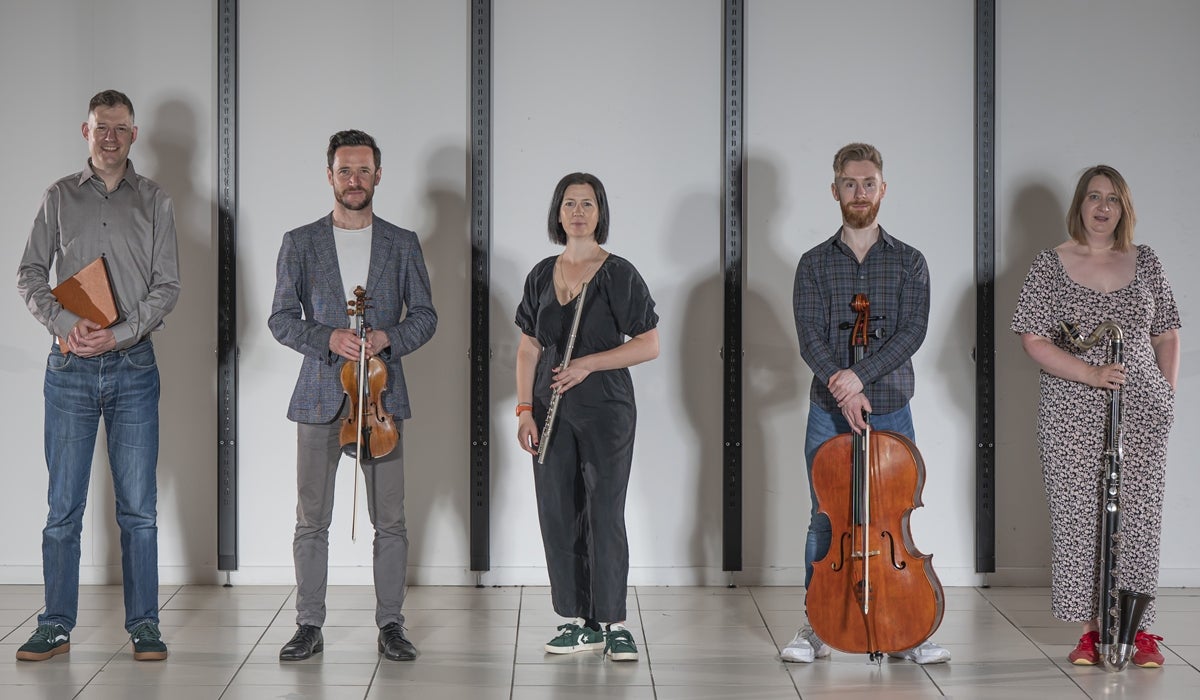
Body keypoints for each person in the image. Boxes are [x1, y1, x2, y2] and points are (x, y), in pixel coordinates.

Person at [14, 89, 180, 662]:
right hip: (69, 369)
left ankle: (145, 626)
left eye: (121, 128)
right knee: (63, 507)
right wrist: (64, 324)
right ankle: (55, 624)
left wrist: (122, 331)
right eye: (101, 127)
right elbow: (30, 273)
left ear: (135, 135)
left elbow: (168, 286)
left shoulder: (156, 201)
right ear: (85, 131)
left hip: (134, 367)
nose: (111, 137)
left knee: (139, 508)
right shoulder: (58, 197)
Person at [268, 130, 436, 662]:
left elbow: (427, 317)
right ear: (330, 175)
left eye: (364, 170)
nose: (355, 180)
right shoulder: (300, 241)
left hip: (380, 401)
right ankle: (308, 624)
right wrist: (327, 338)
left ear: (378, 175)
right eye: (345, 170)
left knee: (390, 520)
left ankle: (391, 624)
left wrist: (388, 337)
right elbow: (279, 318)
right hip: (320, 395)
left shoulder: (402, 242)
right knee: (311, 520)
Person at [782, 143, 949, 665]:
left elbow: (911, 333)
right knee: (824, 519)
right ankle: (817, 624)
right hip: (828, 411)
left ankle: (906, 627)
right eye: (849, 184)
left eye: (868, 182)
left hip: (891, 407)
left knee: (892, 515)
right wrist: (840, 383)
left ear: (882, 188)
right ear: (835, 190)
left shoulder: (910, 262)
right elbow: (810, 337)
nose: (859, 192)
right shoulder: (812, 265)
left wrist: (857, 378)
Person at [1012, 165, 1179, 668]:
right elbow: (1032, 338)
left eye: (1112, 199)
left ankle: (1137, 628)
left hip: (1141, 409)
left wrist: (1166, 394)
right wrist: (1090, 374)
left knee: (1139, 520)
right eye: (1093, 197)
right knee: (1080, 520)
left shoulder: (1144, 260)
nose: (1102, 207)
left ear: (1123, 208)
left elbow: (1167, 331)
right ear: (1079, 206)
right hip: (1071, 410)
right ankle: (1091, 632)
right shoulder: (1049, 264)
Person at [515, 172, 659, 662]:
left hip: (607, 410)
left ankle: (613, 622)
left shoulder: (619, 274)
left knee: (603, 512)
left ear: (600, 213)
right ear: (558, 213)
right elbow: (527, 348)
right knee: (558, 511)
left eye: (588, 204)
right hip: (549, 411)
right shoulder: (540, 275)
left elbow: (649, 344)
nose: (579, 211)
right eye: (570, 203)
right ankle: (578, 621)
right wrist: (523, 410)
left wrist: (588, 364)